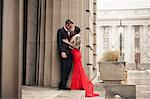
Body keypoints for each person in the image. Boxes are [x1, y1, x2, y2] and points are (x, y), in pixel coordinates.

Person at [62, 30, 100, 97]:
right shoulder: (76, 41)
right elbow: (73, 46)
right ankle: (79, 85)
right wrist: (68, 42)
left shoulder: (78, 38)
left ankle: (79, 85)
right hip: (77, 55)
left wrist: (67, 42)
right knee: (78, 71)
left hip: (76, 55)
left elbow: (75, 46)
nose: (73, 37)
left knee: (78, 70)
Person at [57, 19, 74, 90]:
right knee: (64, 69)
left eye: (71, 26)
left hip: (70, 53)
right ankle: (63, 85)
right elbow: (59, 42)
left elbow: (78, 29)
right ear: (66, 25)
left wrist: (72, 30)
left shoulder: (70, 32)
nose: (70, 27)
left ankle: (62, 84)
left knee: (69, 68)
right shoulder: (60, 31)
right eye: (70, 26)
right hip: (64, 53)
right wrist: (62, 51)